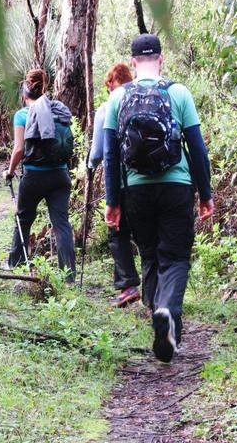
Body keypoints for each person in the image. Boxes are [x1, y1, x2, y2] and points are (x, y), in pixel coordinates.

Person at [103, 34, 214, 363]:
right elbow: (197, 150)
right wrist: (205, 194)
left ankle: (161, 317)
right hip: (176, 187)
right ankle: (165, 311)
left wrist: (113, 201)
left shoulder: (117, 98)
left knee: (150, 254)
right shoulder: (179, 93)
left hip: (136, 189)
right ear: (161, 60)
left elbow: (111, 156)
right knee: (176, 258)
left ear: (133, 62)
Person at [5, 69, 76, 281]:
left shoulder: (23, 115)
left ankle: (16, 264)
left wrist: (9, 172)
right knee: (61, 223)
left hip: (34, 177)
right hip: (60, 176)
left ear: (24, 93)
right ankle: (68, 275)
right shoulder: (59, 111)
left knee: (23, 219)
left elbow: (19, 149)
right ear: (43, 88)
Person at [88, 63, 140, 307]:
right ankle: (151, 289)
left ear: (110, 83)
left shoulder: (107, 108)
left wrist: (89, 165)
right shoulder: (143, 101)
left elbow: (99, 151)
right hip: (146, 179)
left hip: (118, 180)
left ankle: (128, 286)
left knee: (117, 231)